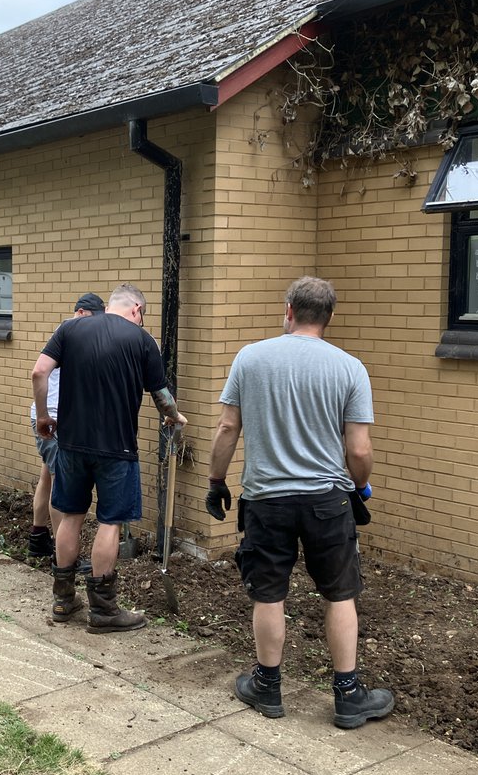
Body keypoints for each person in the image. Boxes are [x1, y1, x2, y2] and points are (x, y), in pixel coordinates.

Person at [205, 276, 394, 730]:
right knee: (340, 593)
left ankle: (268, 687)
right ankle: (348, 697)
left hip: (267, 500)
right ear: (328, 316)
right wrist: (359, 486)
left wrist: (215, 480)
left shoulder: (250, 358)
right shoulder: (350, 367)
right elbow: (361, 450)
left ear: (289, 310)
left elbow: (228, 429)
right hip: (327, 502)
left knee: (269, 592)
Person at [32, 283, 186, 633]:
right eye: (142, 315)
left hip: (71, 445)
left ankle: (63, 600)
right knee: (110, 522)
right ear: (135, 309)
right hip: (117, 449)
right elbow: (162, 395)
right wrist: (174, 416)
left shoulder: (69, 329)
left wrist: (43, 416)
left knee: (70, 516)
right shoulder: (142, 341)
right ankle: (103, 611)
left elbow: (39, 372)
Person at [26, 292, 105, 562]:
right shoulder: (71, 333)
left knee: (47, 476)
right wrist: (47, 416)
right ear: (82, 313)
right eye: (94, 319)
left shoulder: (63, 334)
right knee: (62, 485)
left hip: (46, 417)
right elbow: (38, 373)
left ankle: (38, 537)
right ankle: (63, 555)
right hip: (54, 420)